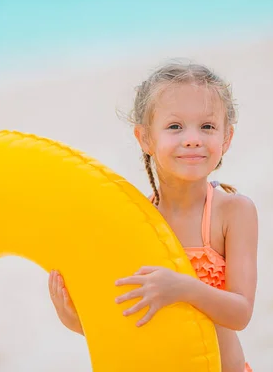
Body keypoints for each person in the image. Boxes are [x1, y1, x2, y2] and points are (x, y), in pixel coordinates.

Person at [48, 61, 258, 372]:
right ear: (145, 138)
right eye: (175, 127)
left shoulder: (233, 211)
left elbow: (240, 313)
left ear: (226, 138)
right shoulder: (137, 220)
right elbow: (131, 321)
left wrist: (183, 287)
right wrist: (77, 322)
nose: (192, 139)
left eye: (207, 127)